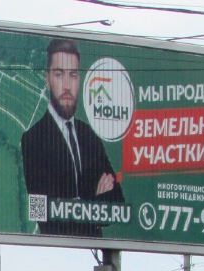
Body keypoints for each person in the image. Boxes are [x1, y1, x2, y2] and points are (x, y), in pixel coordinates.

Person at [20, 37, 125, 238]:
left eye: (73, 75)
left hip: (94, 246)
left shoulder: (89, 136)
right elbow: (43, 214)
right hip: (58, 255)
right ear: (47, 79)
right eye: (59, 75)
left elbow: (117, 204)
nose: (67, 86)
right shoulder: (33, 139)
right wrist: (94, 201)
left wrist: (73, 204)